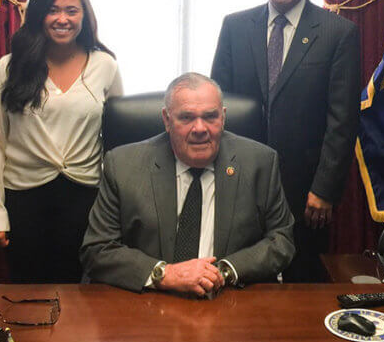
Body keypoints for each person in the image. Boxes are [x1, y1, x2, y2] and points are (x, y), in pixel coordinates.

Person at [211, 0, 360, 282]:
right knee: (240, 277)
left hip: (307, 191)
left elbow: (343, 120)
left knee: (302, 280)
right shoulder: (234, 27)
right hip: (240, 181)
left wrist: (325, 189)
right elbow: (219, 106)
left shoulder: (339, 33)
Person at [80, 73, 294, 296]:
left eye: (210, 116)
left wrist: (224, 272)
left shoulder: (260, 162)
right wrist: (166, 274)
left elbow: (281, 240)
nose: (200, 128)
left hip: (229, 300)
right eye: (187, 118)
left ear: (223, 117)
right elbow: (97, 249)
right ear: (167, 120)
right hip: (151, 302)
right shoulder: (123, 166)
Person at [0, 0, 122, 283]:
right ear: (39, 15)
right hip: (23, 201)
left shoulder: (105, 67)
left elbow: (118, 144)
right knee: (28, 295)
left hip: (86, 201)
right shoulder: (9, 67)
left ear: (84, 16)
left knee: (78, 297)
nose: (62, 19)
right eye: (53, 10)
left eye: (72, 11)